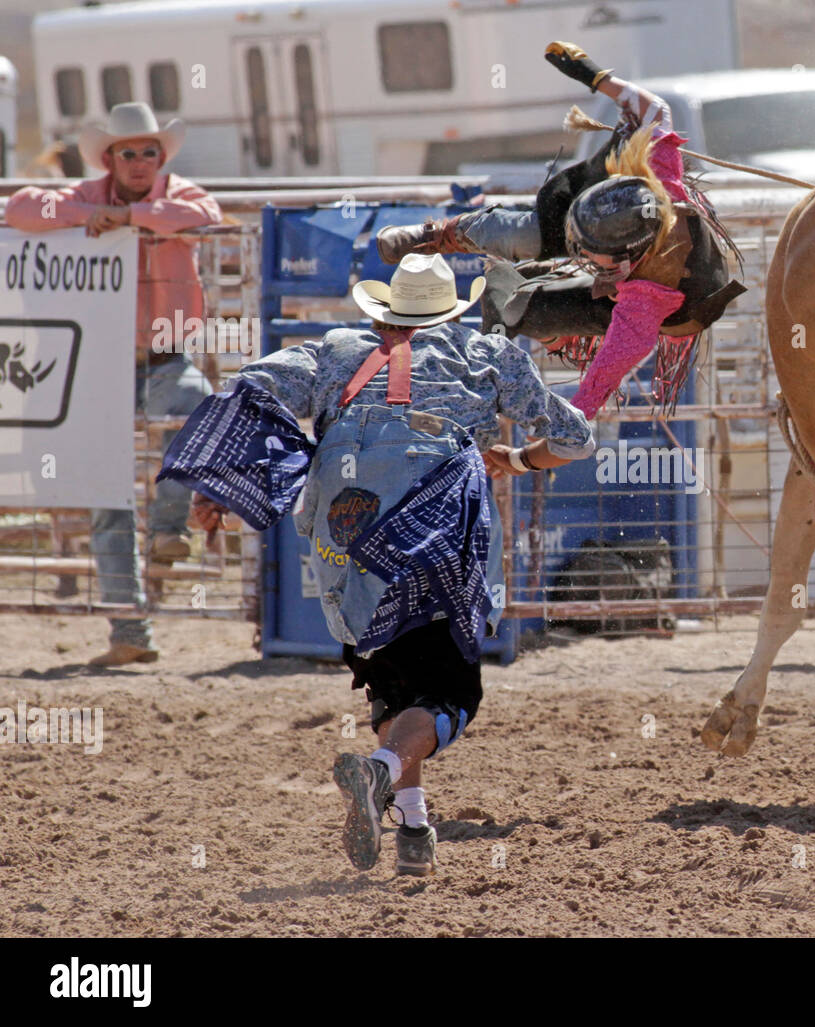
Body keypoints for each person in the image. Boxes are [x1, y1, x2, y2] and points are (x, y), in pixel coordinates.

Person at [158, 253, 594, 876]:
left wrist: (221, 486)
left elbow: (253, 387)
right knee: (449, 691)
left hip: (345, 526)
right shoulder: (488, 356)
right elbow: (576, 437)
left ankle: (413, 825)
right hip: (432, 522)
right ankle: (379, 772)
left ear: (386, 310)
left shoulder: (333, 351)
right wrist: (520, 459)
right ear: (453, 310)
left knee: (392, 676)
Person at [376, 41, 745, 418]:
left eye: (587, 251)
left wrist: (544, 443)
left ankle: (551, 343)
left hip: (677, 307)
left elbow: (597, 386)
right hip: (639, 247)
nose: (577, 250)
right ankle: (438, 234)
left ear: (623, 261)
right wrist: (595, 76)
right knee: (527, 233)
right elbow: (654, 109)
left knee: (514, 302)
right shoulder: (659, 175)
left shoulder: (641, 308)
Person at [5, 102, 223, 666]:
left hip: (163, 355)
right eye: (129, 152)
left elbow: (205, 217)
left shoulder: (179, 196)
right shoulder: (85, 198)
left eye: (150, 151)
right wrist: (86, 218)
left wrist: (128, 220)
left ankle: (170, 527)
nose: (141, 161)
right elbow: (23, 207)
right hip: (99, 366)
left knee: (198, 412)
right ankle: (130, 631)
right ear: (111, 157)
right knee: (107, 494)